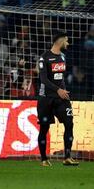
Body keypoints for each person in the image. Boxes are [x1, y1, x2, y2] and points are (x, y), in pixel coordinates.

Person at [37, 32, 79, 166]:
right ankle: (44, 159)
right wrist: (58, 90)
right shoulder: (44, 58)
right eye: (66, 41)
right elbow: (43, 79)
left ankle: (67, 157)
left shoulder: (62, 56)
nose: (68, 43)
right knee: (44, 128)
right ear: (60, 41)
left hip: (61, 99)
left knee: (69, 124)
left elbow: (60, 78)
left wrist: (63, 91)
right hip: (46, 99)